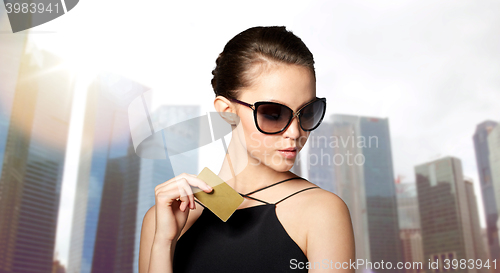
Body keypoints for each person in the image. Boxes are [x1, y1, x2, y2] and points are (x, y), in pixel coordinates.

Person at [139, 26, 355, 273]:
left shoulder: (321, 212)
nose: (295, 132)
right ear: (227, 112)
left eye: (306, 113)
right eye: (274, 114)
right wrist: (163, 244)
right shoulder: (164, 217)